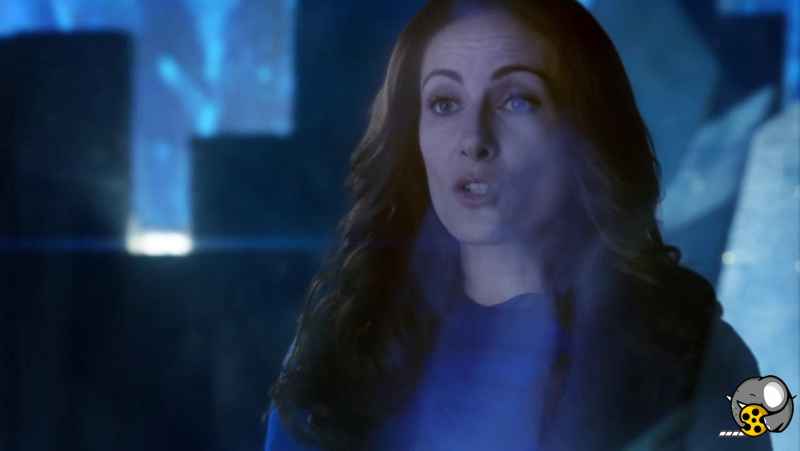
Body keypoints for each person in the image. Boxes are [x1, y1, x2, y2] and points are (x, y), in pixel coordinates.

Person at [264, 1, 771, 450]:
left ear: (587, 132)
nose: (474, 139)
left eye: (517, 100)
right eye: (444, 103)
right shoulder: (341, 351)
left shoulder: (698, 356)